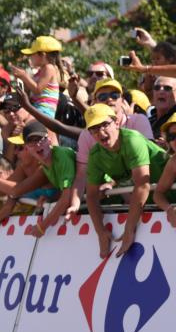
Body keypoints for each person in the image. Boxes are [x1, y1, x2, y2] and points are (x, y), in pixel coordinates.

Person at [83, 104, 168, 259]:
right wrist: (100, 232)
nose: (100, 132)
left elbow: (142, 184)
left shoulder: (132, 139)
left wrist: (129, 229)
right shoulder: (95, 155)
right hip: (153, 204)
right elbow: (91, 196)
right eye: (94, 129)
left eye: (104, 125)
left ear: (116, 122)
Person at [10, 35, 63, 118]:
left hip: (44, 111)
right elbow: (29, 92)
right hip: (37, 108)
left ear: (42, 55)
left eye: (32, 54)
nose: (30, 57)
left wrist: (24, 76)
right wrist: (21, 79)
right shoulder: (40, 71)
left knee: (18, 116)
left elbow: (38, 90)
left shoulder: (49, 68)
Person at [152, 117, 176, 227]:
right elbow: (158, 194)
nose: (175, 140)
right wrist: (170, 209)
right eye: (172, 137)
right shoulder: (173, 162)